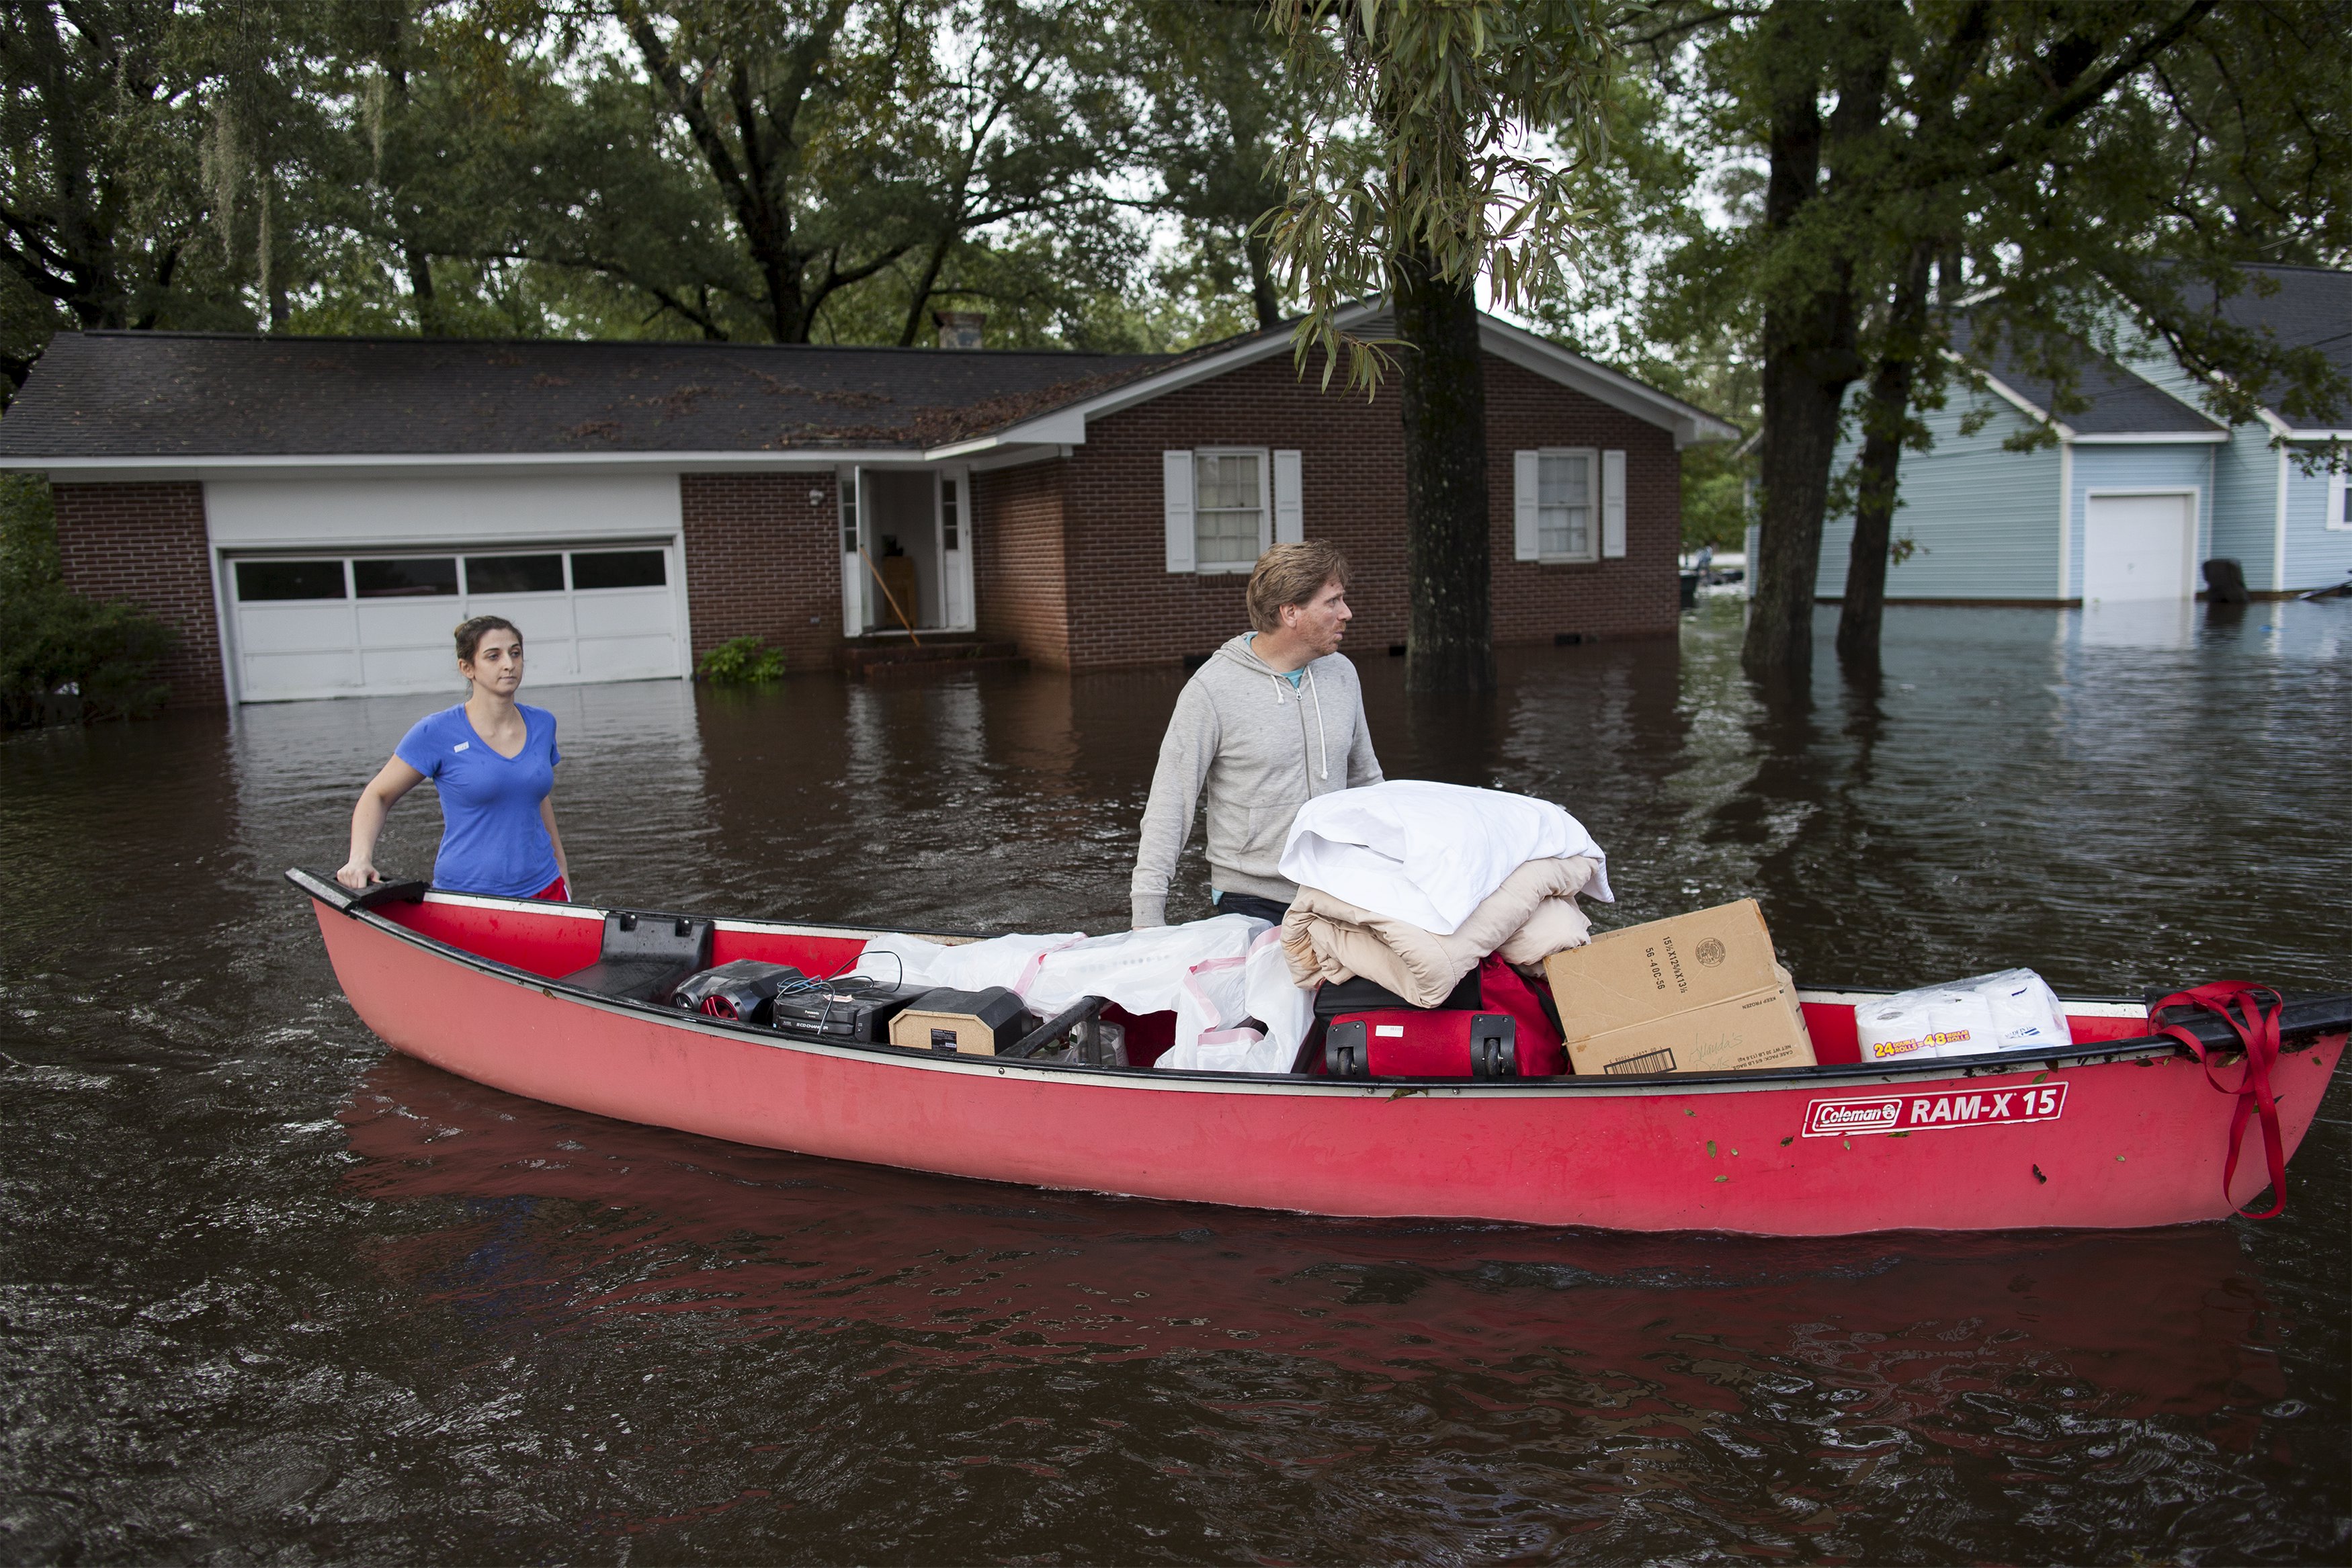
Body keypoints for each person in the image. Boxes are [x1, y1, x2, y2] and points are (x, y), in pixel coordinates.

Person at [1130, 540, 1382, 928]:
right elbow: (1170, 804)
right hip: (1252, 896)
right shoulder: (1212, 691)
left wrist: (1392, 863)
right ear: (1291, 612)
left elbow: (1367, 781)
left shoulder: (1343, 673)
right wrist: (1147, 918)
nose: (1346, 613)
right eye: (1332, 602)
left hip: (1339, 885)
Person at [337, 615, 572, 900]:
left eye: (515, 653)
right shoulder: (436, 731)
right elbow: (378, 794)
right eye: (493, 656)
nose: (509, 664)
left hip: (546, 889)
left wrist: (563, 873)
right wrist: (360, 858)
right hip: (467, 896)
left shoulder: (543, 723)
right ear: (467, 668)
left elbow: (536, 797)